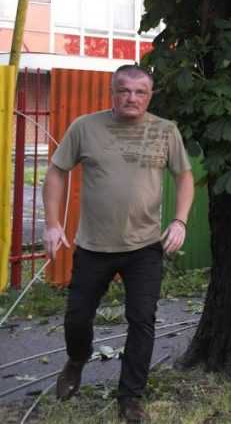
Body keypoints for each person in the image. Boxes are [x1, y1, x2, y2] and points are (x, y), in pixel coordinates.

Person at [43, 64, 194, 424]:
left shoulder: (165, 131)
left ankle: (130, 397)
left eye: (140, 92)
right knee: (78, 317)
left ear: (150, 96)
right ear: (112, 92)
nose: (132, 98)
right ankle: (77, 360)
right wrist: (51, 224)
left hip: (144, 247)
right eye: (124, 90)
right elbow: (57, 171)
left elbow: (184, 176)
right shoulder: (85, 127)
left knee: (142, 321)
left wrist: (180, 220)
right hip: (93, 246)